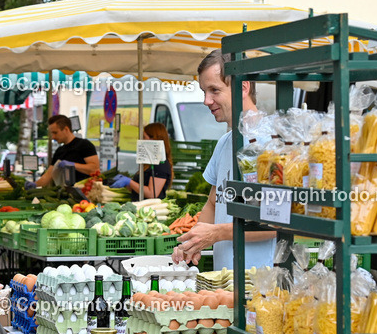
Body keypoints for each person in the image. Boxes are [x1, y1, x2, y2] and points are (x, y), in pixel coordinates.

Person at [173, 50, 276, 270]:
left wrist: (217, 233)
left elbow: (275, 222)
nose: (206, 101)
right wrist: (193, 242)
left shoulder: (272, 145)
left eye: (214, 90)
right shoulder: (225, 143)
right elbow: (213, 202)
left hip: (260, 286)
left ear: (243, 87)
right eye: (204, 91)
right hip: (225, 282)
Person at [34, 114, 100, 187]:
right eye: (52, 133)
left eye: (55, 133)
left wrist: (73, 165)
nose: (53, 137)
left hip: (84, 193)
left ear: (66, 129)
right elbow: (48, 175)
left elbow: (95, 169)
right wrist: (34, 184)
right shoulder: (59, 151)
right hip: (65, 193)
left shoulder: (84, 145)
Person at [114, 122, 174, 200]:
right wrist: (127, 184)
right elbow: (139, 189)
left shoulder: (161, 164)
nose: (141, 141)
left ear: (154, 139)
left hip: (149, 210)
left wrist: (129, 182)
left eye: (144, 137)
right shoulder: (148, 163)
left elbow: (152, 193)